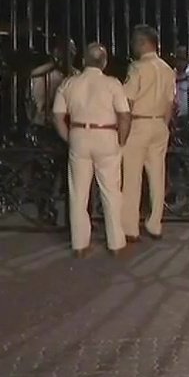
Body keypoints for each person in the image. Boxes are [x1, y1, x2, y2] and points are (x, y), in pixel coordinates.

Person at [52, 43, 132, 258]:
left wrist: (69, 138)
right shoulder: (113, 84)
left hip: (79, 135)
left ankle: (79, 244)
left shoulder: (69, 83)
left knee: (78, 193)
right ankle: (115, 242)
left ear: (83, 61)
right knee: (111, 191)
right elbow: (124, 116)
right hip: (106, 136)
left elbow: (57, 117)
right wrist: (121, 141)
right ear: (104, 62)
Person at [122, 25, 176, 242]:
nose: (132, 45)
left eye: (135, 41)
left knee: (132, 177)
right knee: (157, 176)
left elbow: (127, 101)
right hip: (159, 124)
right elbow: (170, 103)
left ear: (143, 42)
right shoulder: (167, 69)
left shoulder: (136, 68)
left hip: (138, 124)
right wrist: (164, 125)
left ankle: (130, 227)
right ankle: (155, 224)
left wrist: (123, 129)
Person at [30, 37, 78, 127]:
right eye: (67, 50)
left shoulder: (77, 75)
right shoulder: (45, 76)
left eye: (73, 50)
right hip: (45, 125)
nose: (72, 53)